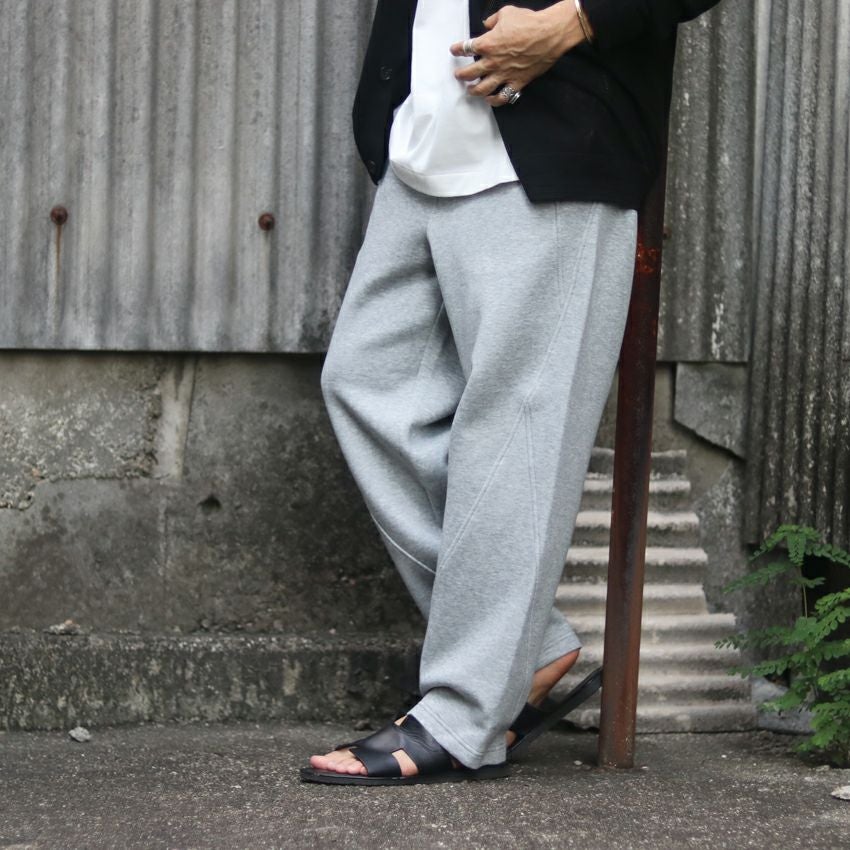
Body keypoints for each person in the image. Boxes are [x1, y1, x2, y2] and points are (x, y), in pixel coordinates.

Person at [300, 0, 723, 786]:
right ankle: (525, 649)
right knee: (365, 383)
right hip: (423, 139)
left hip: (550, 144)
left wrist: (576, 22)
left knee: (513, 434)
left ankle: (464, 714)